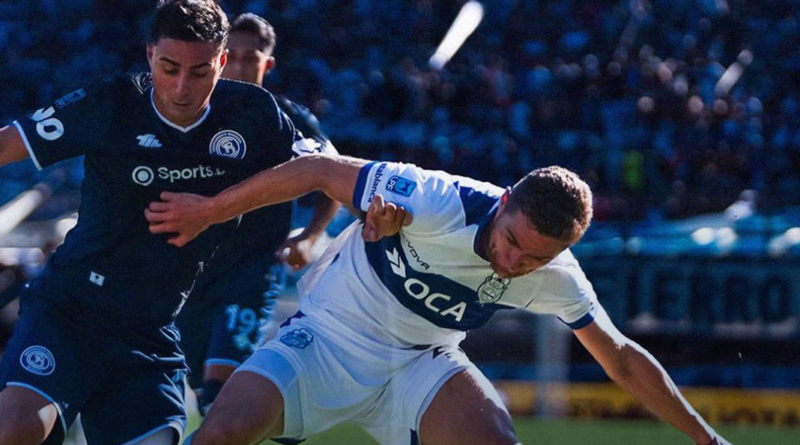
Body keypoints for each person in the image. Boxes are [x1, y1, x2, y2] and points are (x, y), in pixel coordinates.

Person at [0, 1, 404, 444]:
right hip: (70, 311)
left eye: (199, 72)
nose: (181, 88)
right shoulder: (111, 102)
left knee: (205, 413)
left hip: (150, 329)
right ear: (150, 54)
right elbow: (6, 145)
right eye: (169, 68)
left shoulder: (256, 114)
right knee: (16, 429)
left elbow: (327, 171)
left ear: (221, 62)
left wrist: (377, 210)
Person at [146, 155, 732, 445]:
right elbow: (320, 169)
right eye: (512, 243)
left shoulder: (558, 275)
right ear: (504, 202)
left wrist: (707, 439)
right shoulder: (432, 200)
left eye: (534, 259)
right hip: (325, 338)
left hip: (421, 363)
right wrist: (209, 210)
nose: (514, 264)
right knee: (222, 434)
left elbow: (621, 358)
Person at [174, 12, 340, 417]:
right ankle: (286, 422)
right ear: (219, 59)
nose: (241, 65)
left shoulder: (288, 120)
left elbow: (334, 174)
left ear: (269, 64)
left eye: (252, 58)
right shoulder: (190, 113)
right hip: (191, 273)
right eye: (233, 55)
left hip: (252, 270)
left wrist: (310, 237)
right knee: (203, 391)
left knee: (219, 390)